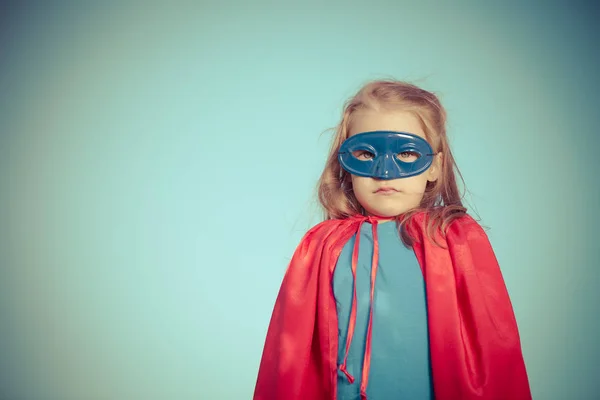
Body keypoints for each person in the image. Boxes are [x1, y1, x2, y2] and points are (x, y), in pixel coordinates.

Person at [253, 80, 532, 400]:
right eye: (365, 153)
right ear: (346, 165)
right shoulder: (320, 247)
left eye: (408, 152)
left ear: (434, 167)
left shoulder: (456, 240)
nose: (385, 172)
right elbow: (290, 359)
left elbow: (492, 351)